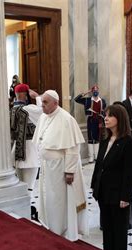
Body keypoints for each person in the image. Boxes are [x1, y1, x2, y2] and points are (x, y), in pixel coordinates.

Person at [32, 90, 89, 241]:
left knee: (59, 200)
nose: (42, 105)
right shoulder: (45, 116)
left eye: (45, 102)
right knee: (48, 197)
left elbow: (72, 149)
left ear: (55, 103)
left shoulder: (66, 119)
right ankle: (50, 224)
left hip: (60, 168)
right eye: (42, 102)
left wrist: (69, 171)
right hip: (47, 167)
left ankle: (61, 229)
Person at [91, 104, 132, 250]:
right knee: (107, 229)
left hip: (118, 195)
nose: (106, 118)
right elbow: (99, 165)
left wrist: (125, 196)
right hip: (103, 192)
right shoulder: (105, 140)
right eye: (105, 115)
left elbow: (129, 172)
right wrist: (94, 186)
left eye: (110, 116)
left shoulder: (128, 142)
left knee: (119, 231)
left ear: (120, 119)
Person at [10, 83, 43, 220]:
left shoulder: (13, 108)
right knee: (29, 186)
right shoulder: (28, 109)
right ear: (25, 94)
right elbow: (43, 113)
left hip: (17, 150)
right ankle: (27, 212)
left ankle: (22, 209)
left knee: (21, 183)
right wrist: (38, 97)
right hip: (29, 150)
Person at [74, 85, 107, 163]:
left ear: (98, 91)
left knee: (97, 138)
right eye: (94, 90)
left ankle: (96, 156)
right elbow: (76, 99)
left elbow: (104, 111)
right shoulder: (87, 100)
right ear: (92, 92)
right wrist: (86, 92)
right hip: (91, 121)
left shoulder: (102, 101)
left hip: (99, 121)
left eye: (96, 90)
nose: (95, 92)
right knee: (90, 137)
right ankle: (91, 156)